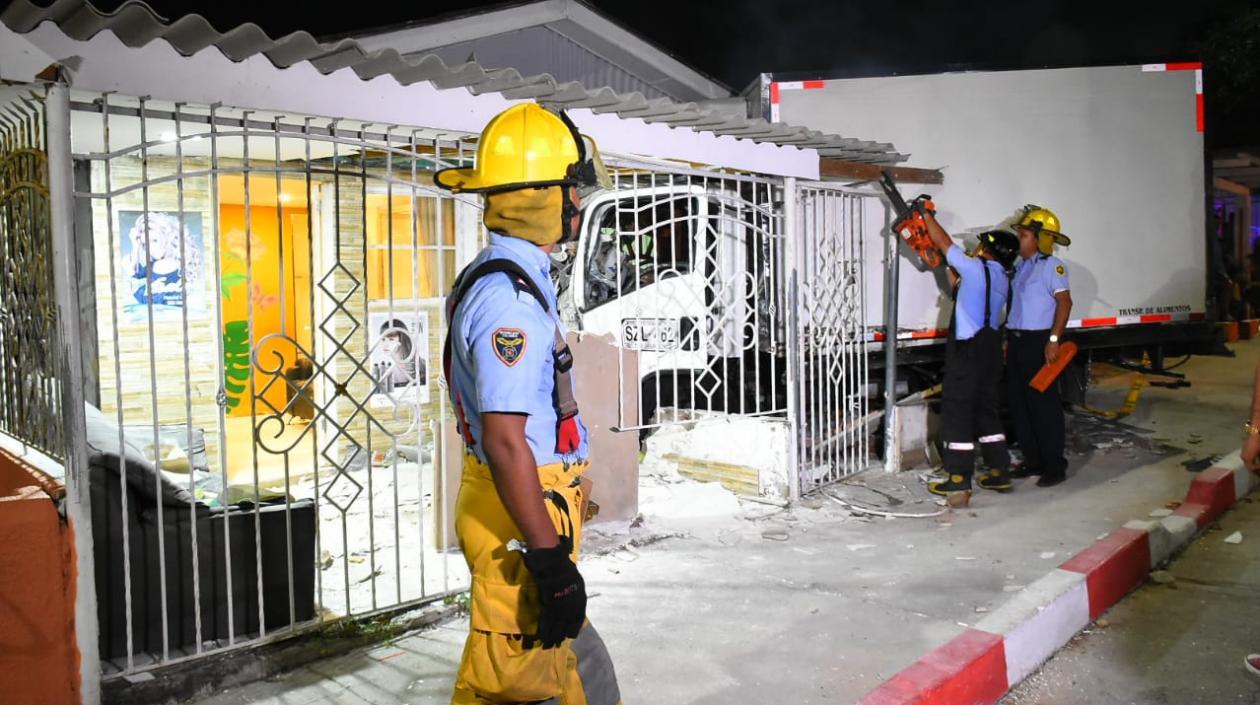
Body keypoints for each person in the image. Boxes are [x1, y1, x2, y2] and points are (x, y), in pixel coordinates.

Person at [434, 103, 621, 705]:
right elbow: (505, 440)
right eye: (571, 189)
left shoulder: (512, 275)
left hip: (529, 506)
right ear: (543, 197)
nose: (578, 203)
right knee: (518, 685)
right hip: (520, 516)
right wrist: (548, 561)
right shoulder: (508, 302)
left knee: (581, 671)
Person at [921, 211, 1020, 506]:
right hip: (991, 351)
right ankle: (999, 471)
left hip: (968, 350)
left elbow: (942, 240)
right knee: (986, 410)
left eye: (982, 245)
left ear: (988, 249)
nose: (977, 248)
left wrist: (925, 215)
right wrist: (943, 266)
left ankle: (958, 477)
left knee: (957, 410)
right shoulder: (1002, 278)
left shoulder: (975, 268)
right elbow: (961, 290)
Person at [1006, 205, 1072, 488]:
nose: (1018, 239)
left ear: (1041, 239)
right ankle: (1032, 461)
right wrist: (1008, 339)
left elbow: (1065, 303)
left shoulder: (1052, 267)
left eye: (1023, 235)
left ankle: (1054, 466)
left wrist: (1054, 339)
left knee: (1044, 407)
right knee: (1020, 405)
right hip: (1017, 341)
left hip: (1039, 342)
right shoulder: (1020, 266)